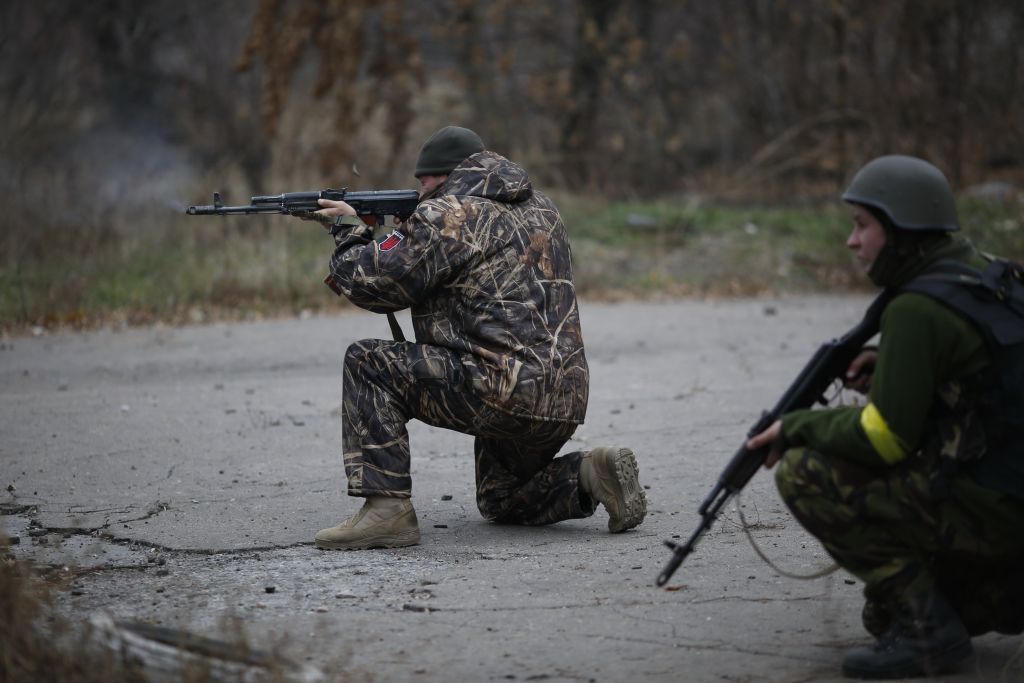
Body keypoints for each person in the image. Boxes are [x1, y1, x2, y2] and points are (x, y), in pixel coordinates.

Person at [304, 125, 647, 550]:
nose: (420, 188)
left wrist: (348, 231)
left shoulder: (449, 215)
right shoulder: (544, 208)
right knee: (501, 499)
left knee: (367, 362)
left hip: (497, 389)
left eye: (424, 179)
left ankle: (386, 512)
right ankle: (591, 473)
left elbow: (375, 284)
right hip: (561, 396)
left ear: (447, 175)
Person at [746, 155, 1024, 679]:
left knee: (806, 472)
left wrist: (796, 427)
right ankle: (999, 590)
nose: (853, 241)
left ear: (901, 229)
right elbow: (986, 385)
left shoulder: (916, 309)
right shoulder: (983, 273)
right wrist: (894, 365)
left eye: (862, 225)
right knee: (880, 613)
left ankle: (929, 632)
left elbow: (885, 439)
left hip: (997, 510)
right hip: (1009, 489)